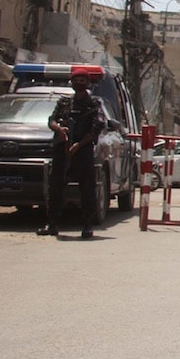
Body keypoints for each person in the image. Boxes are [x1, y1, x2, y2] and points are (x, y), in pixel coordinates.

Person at [37, 69, 105, 239]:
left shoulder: (94, 104)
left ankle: (87, 225)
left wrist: (78, 144)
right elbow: (51, 120)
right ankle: (52, 223)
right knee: (56, 187)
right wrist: (59, 129)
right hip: (62, 148)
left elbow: (97, 126)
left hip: (83, 150)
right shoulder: (64, 102)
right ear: (71, 82)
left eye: (83, 80)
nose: (79, 83)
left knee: (87, 188)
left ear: (88, 83)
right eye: (77, 80)